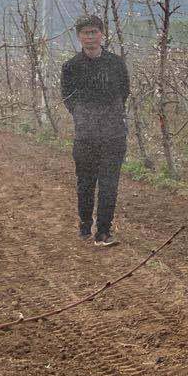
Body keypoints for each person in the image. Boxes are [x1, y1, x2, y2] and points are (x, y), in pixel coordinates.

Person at [60, 16, 130, 245]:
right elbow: (68, 99)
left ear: (102, 34)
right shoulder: (71, 67)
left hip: (113, 134)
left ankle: (104, 231)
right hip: (86, 136)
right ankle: (84, 226)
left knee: (110, 184)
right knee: (86, 182)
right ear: (79, 36)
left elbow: (124, 92)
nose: (90, 37)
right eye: (85, 33)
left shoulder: (116, 64)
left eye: (94, 32)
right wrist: (85, 118)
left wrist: (109, 115)